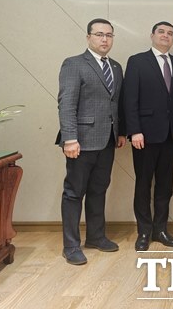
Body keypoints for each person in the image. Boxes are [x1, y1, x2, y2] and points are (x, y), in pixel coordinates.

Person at [57, 18, 126, 265]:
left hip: (107, 141)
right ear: (88, 38)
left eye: (109, 35)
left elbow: (115, 103)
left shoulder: (116, 67)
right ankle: (71, 245)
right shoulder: (74, 64)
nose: (104, 39)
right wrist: (70, 139)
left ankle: (96, 236)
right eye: (99, 34)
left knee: (99, 190)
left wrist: (120, 132)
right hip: (81, 142)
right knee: (74, 193)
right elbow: (66, 104)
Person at [123, 21, 173, 251]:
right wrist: (134, 130)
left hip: (171, 136)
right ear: (152, 35)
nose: (166, 36)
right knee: (143, 184)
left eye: (170, 33)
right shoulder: (137, 61)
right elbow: (129, 99)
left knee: (165, 186)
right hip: (145, 136)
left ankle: (160, 229)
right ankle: (144, 231)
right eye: (161, 32)